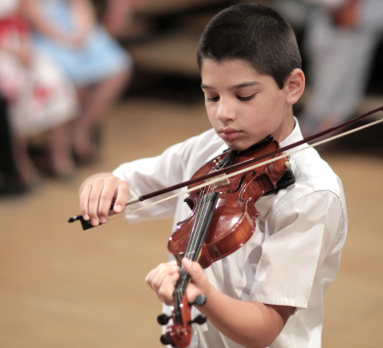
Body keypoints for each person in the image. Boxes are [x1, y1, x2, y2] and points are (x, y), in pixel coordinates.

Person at [78, 4, 347, 347]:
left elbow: (264, 329)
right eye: (211, 96)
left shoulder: (312, 194)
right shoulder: (209, 149)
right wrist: (103, 183)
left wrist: (203, 295)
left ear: (292, 87)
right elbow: (129, 182)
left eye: (244, 95)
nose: (224, 114)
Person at [24, 0, 133, 163]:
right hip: (45, 37)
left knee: (119, 65)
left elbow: (80, 5)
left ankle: (82, 128)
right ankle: (60, 149)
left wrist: (81, 32)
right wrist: (65, 38)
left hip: (73, 30)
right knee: (71, 84)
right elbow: (32, 16)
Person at [0, 0, 79, 182]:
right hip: (4, 50)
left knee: (53, 79)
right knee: (15, 88)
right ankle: (18, 162)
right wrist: (11, 49)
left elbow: (21, 16)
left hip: (19, 40)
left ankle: (59, 155)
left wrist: (24, 45)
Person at [299, 0, 383, 137]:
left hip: (378, 8)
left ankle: (319, 117)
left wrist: (354, 7)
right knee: (339, 34)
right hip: (326, 14)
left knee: (354, 31)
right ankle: (327, 117)